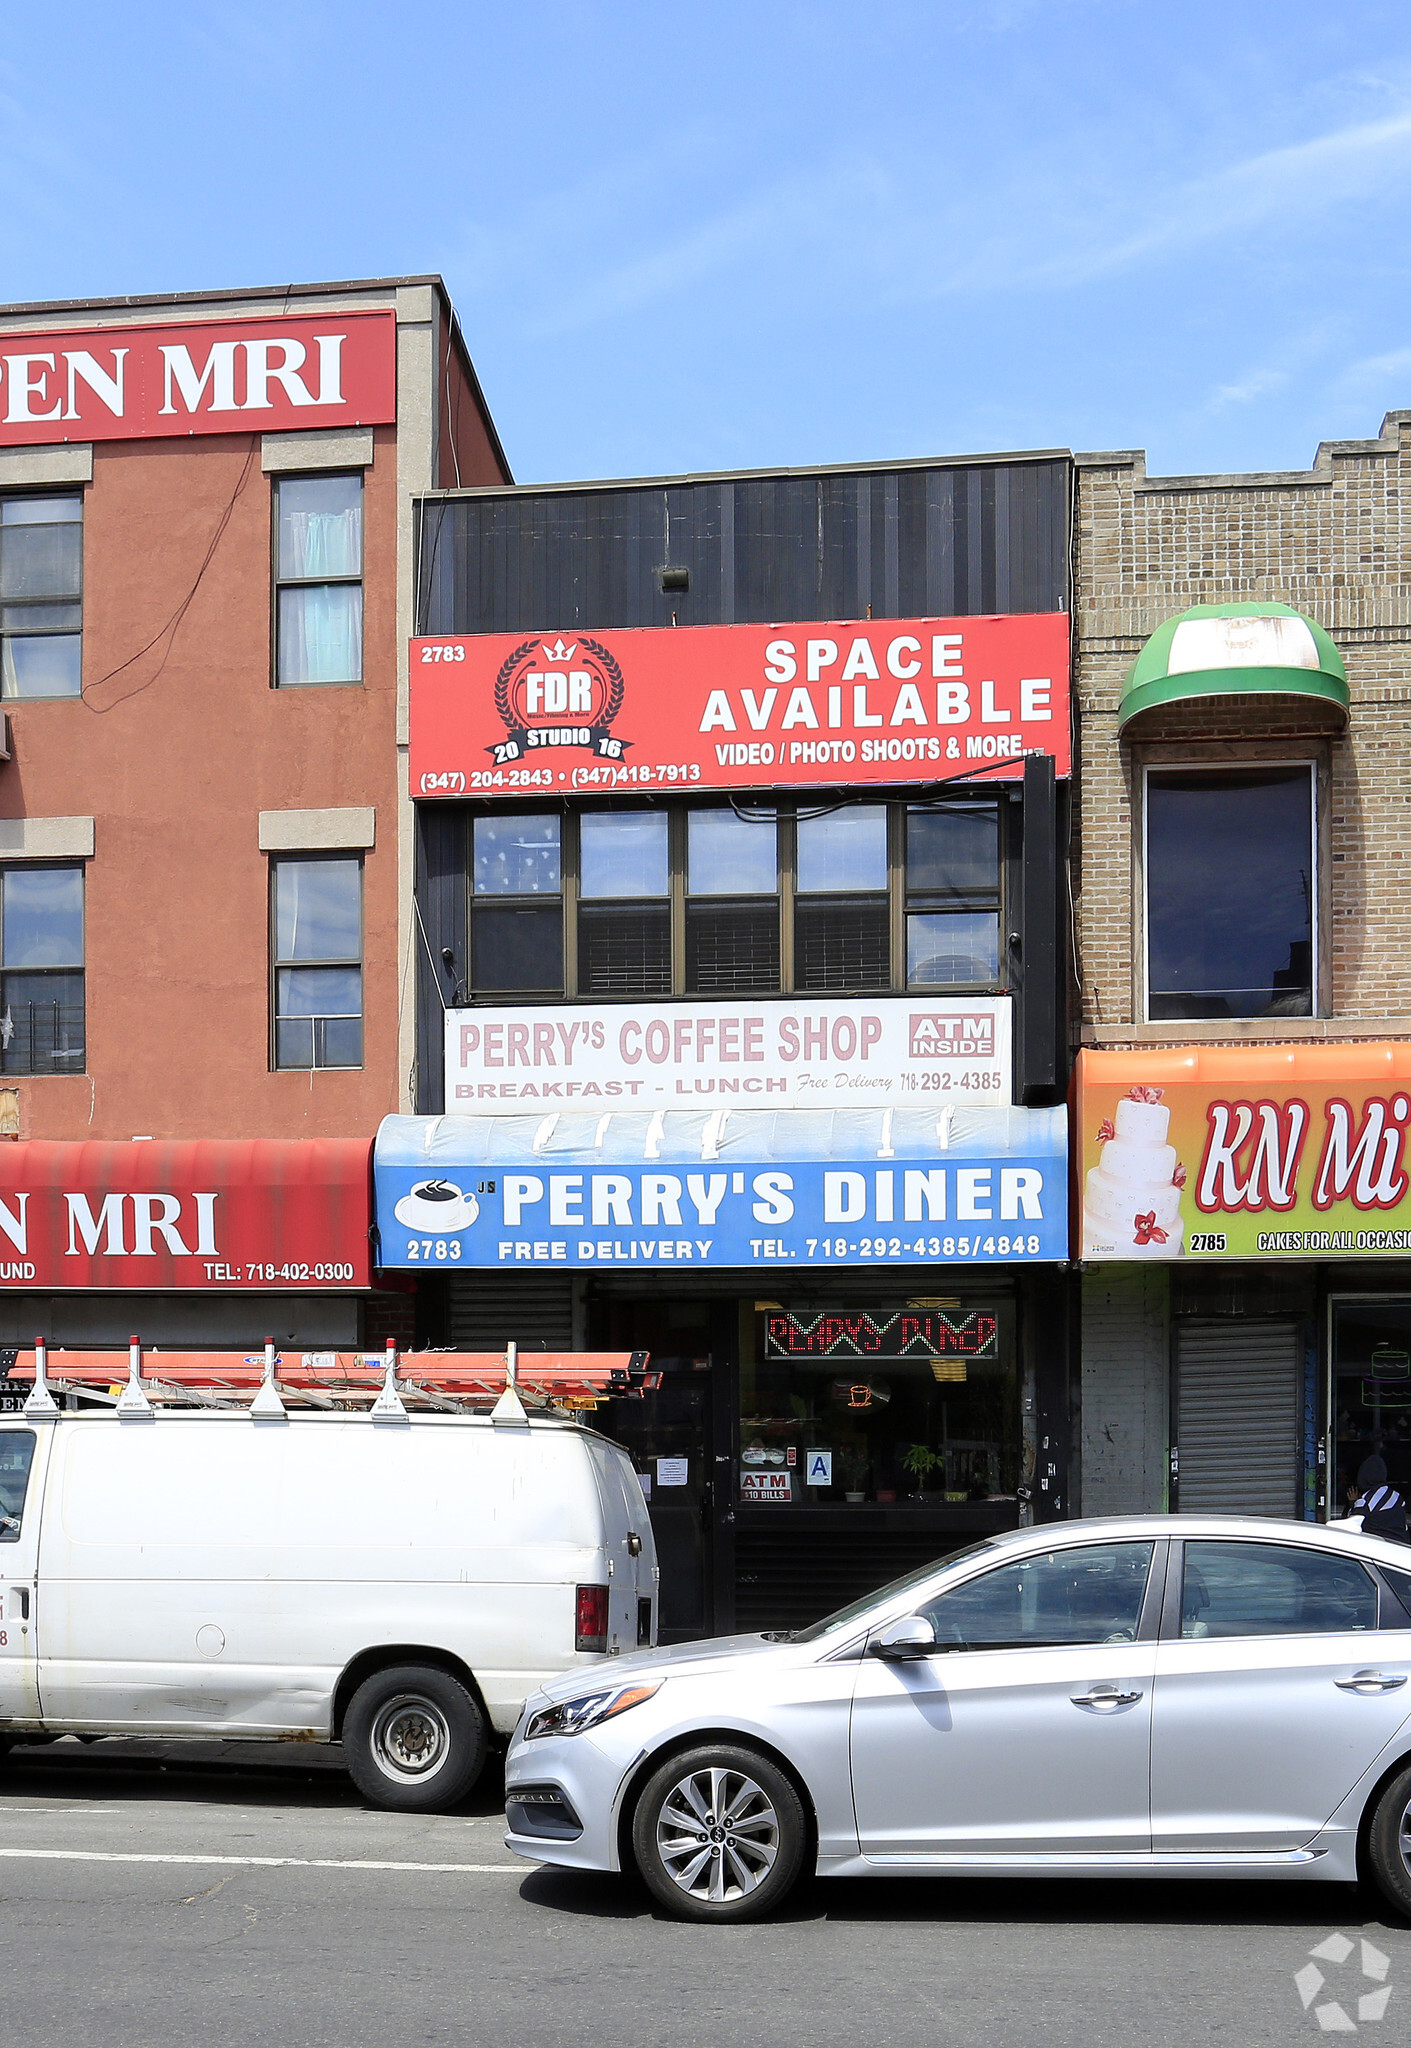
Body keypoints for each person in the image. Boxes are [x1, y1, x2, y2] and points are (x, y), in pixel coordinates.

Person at [1349, 1452, 1409, 1543]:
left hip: (1378, 1548)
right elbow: (1403, 1526)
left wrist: (1353, 1503)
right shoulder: (1398, 1498)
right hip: (1400, 1547)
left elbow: (1352, 1527)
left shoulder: (1365, 1500)